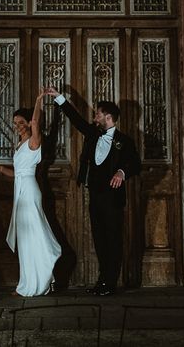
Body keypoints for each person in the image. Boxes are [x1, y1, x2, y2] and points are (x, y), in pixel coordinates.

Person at [44, 86, 141, 296]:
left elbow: (135, 164)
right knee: (99, 239)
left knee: (113, 239)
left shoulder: (125, 141)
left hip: (113, 199)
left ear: (107, 116)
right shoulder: (93, 134)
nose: (94, 116)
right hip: (94, 195)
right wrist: (60, 98)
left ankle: (110, 283)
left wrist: (122, 172)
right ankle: (101, 281)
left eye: (97, 113)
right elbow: (76, 119)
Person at [0, 93, 61, 297]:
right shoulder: (20, 144)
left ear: (30, 123)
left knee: (32, 237)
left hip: (29, 192)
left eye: (21, 122)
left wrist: (39, 99)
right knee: (25, 240)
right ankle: (29, 282)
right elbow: (19, 172)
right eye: (15, 123)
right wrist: (2, 170)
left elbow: (37, 121)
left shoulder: (34, 141)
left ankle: (35, 283)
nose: (18, 125)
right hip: (21, 190)